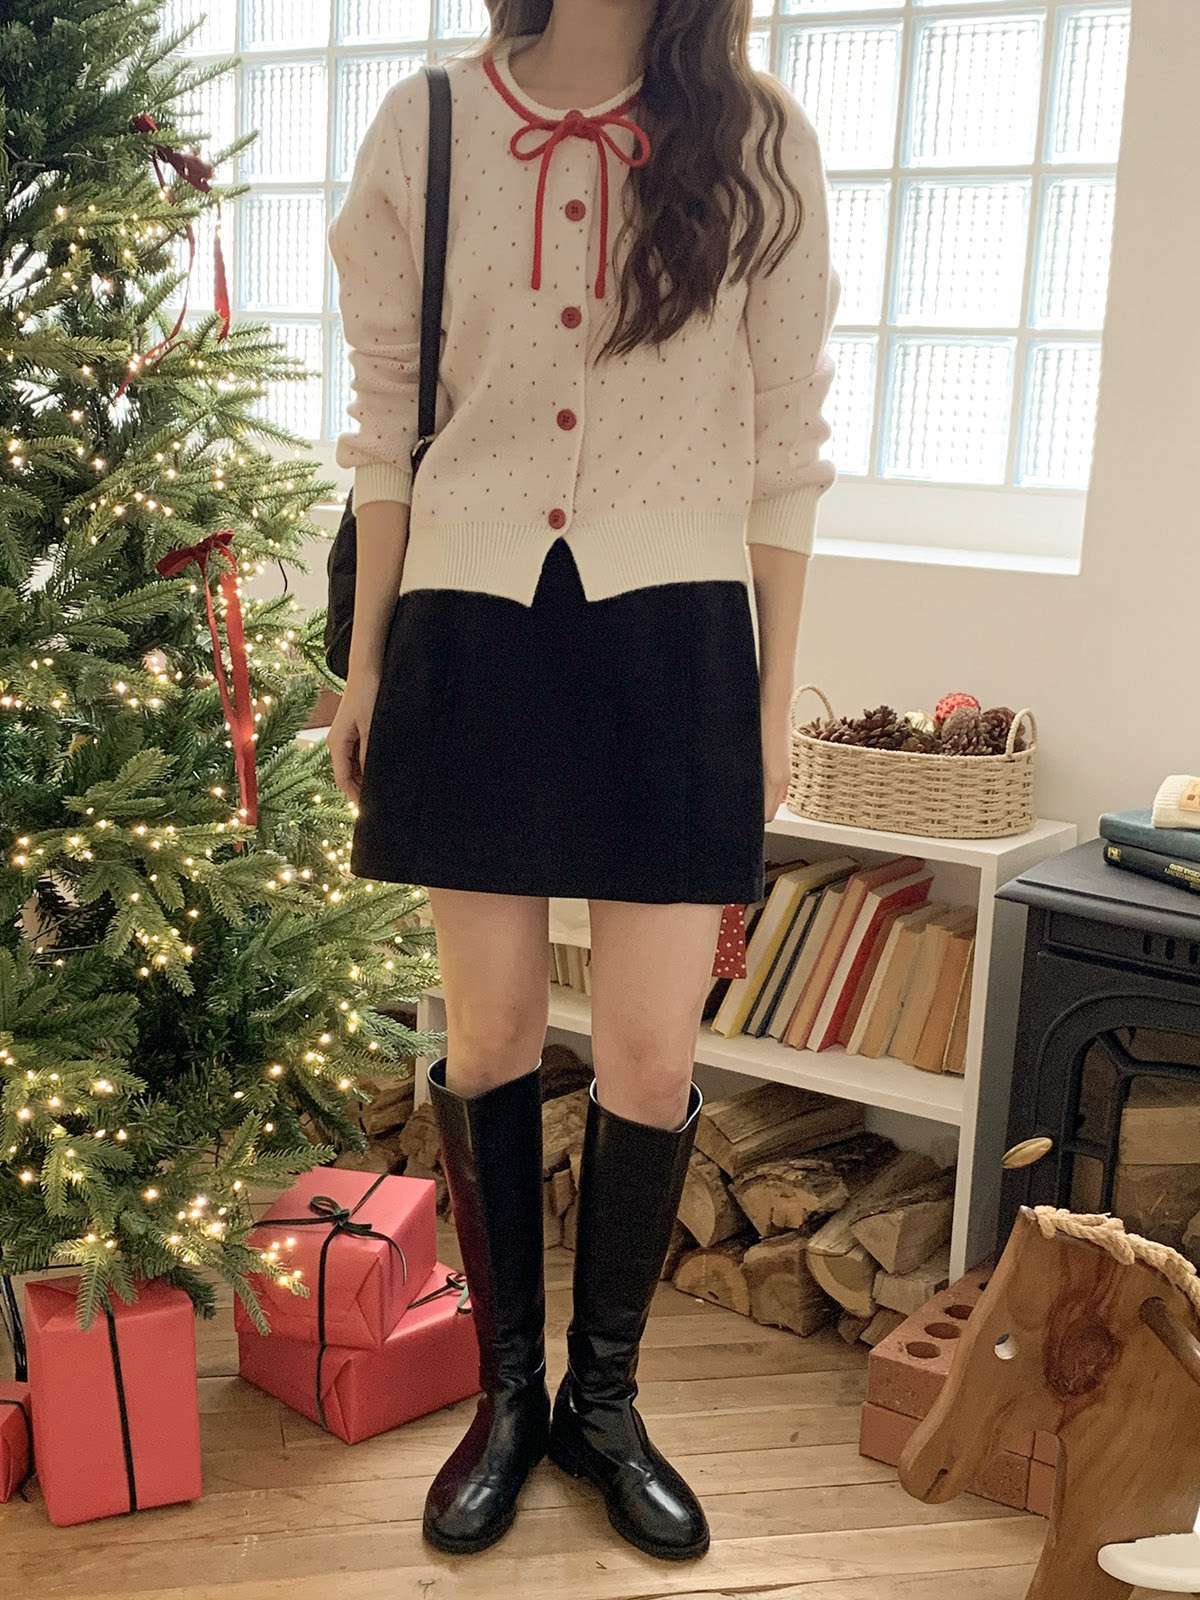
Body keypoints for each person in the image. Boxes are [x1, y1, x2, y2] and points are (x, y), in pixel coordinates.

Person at [327, 0, 838, 1564]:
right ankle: (507, 1401)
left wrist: (766, 703)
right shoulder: (428, 126)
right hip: (468, 627)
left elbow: (785, 450)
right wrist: (365, 662)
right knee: (487, 1037)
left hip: (675, 642)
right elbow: (390, 427)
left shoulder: (757, 136)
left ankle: (604, 1406)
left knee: (649, 1053)